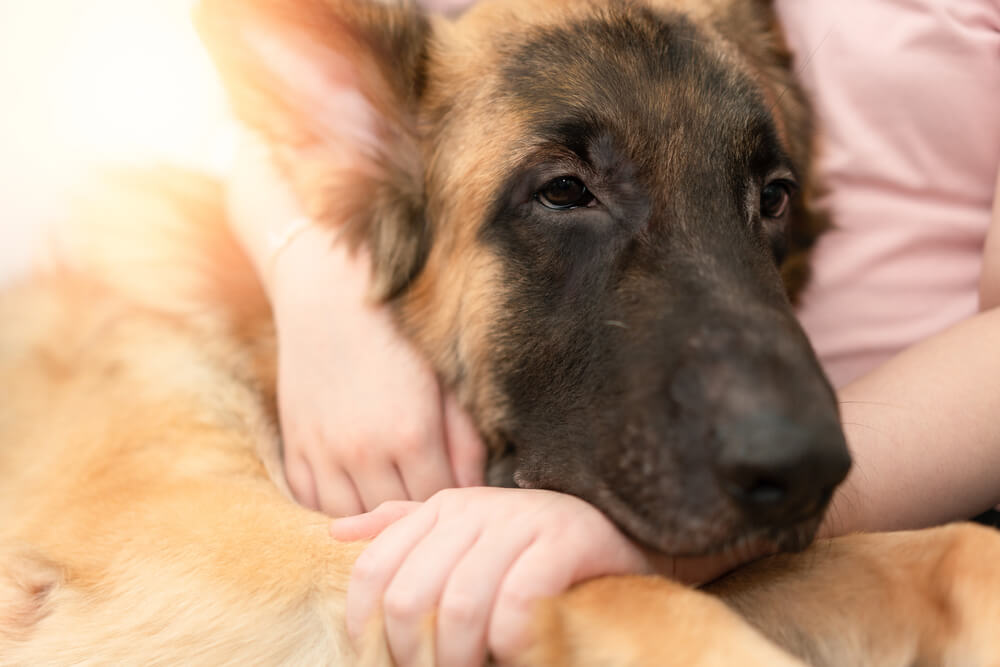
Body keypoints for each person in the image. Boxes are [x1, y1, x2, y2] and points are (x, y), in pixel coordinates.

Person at [225, 0, 1000, 664]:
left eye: (771, 198)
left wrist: (661, 546)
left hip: (915, 472)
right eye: (568, 189)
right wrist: (325, 291)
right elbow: (321, 103)